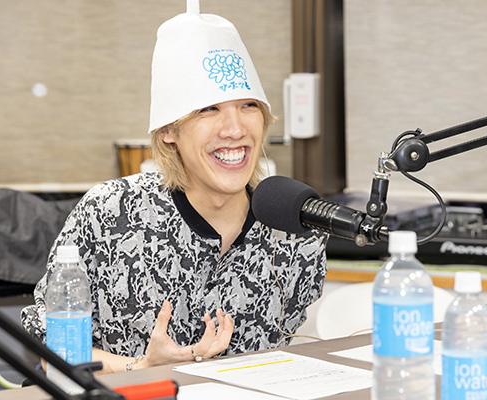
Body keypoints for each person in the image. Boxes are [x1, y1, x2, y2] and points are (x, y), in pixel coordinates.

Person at [21, 0, 327, 374]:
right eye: (208, 109)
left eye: (249, 106)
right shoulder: (110, 213)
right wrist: (143, 367)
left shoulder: (295, 230)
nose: (235, 129)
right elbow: (52, 349)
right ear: (169, 130)